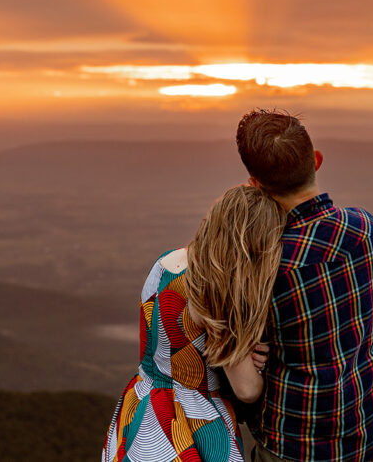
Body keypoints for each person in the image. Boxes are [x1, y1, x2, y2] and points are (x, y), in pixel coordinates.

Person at [236, 109, 373, 462]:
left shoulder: (262, 265)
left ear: (254, 182)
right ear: (316, 161)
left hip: (292, 446)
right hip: (366, 436)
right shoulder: (364, 229)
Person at [102, 185, 283, 462]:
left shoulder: (165, 262)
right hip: (195, 423)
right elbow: (246, 390)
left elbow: (176, 340)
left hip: (142, 405)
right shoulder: (218, 290)